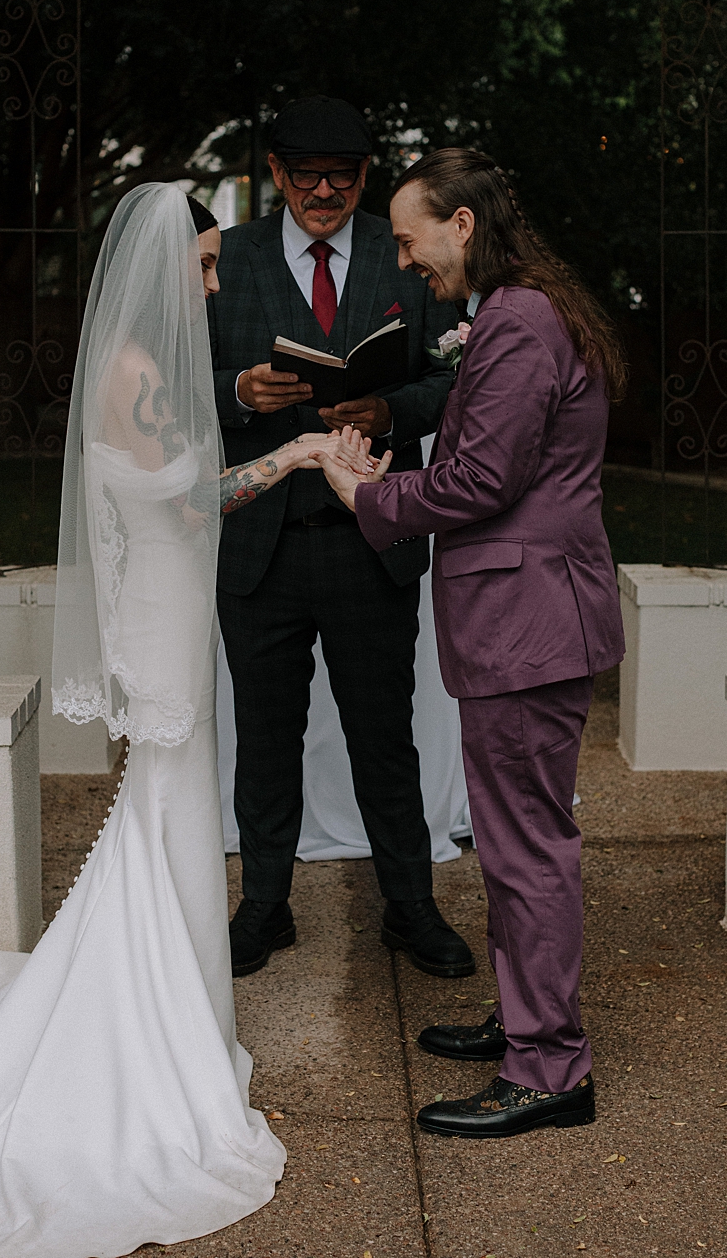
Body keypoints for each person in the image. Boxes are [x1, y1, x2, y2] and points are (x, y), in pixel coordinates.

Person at [0, 184, 368, 1255]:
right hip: (164, 618)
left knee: (168, 802)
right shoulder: (132, 374)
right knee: (165, 797)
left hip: (173, 606)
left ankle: (175, 1013)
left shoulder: (152, 368)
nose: (214, 281)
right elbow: (184, 502)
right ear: (165, 265)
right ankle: (151, 1028)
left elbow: (190, 491)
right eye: (204, 266)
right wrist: (302, 455)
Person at [313, 147, 626, 1140]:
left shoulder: (520, 323)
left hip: (526, 620)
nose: (407, 261)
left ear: (461, 223)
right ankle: (525, 1020)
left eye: (409, 240)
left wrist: (365, 492)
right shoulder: (522, 310)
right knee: (510, 840)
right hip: (527, 612)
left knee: (526, 849)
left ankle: (547, 1068)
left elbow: (478, 482)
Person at [206, 94, 474, 981]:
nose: (324, 190)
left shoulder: (405, 259)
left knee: (382, 735)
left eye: (343, 175)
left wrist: (390, 407)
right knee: (266, 738)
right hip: (262, 546)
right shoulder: (230, 256)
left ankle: (410, 907)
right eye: (305, 173)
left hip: (372, 536)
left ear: (365, 176)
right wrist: (240, 391)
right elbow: (164, 381)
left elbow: (456, 379)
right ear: (274, 172)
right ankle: (264, 907)